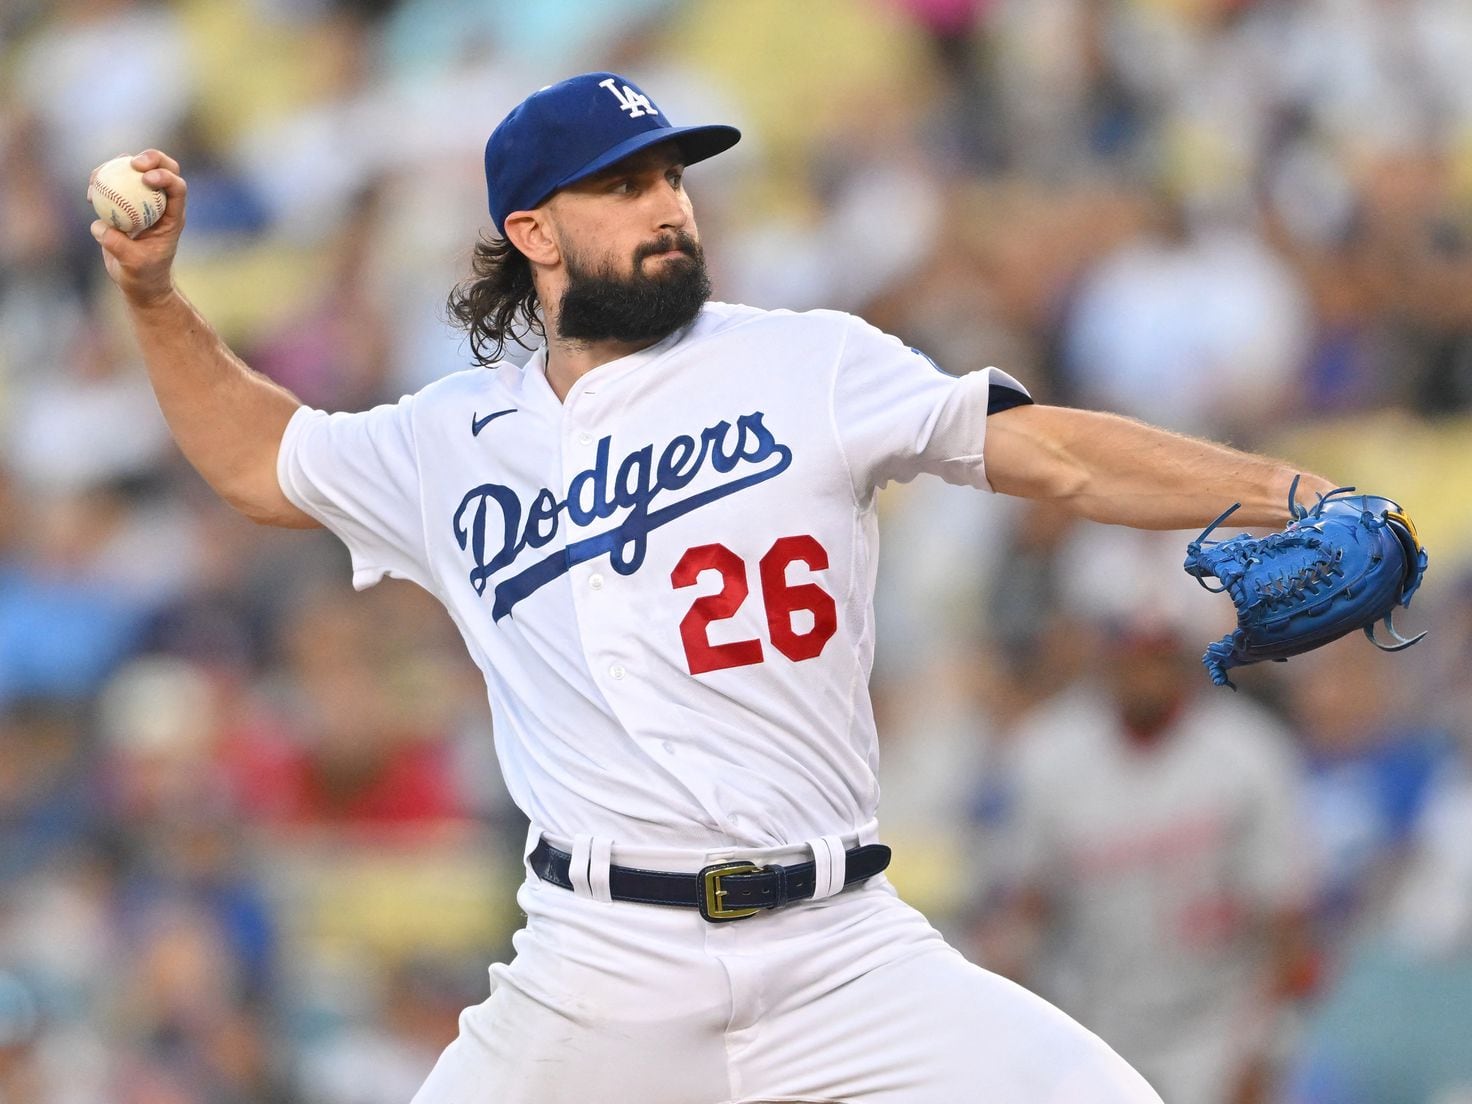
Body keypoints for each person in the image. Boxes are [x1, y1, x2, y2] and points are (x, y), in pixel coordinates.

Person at [90, 71, 1343, 1104]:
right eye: (624, 184)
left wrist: (1297, 494)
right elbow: (260, 457)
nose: (667, 206)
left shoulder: (809, 363)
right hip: (599, 965)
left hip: (839, 950)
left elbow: (1055, 457)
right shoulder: (444, 440)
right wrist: (151, 298)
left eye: (673, 177)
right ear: (532, 231)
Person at [978, 617, 1317, 1104]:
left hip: (1215, 1026)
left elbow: (1287, 930)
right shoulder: (1047, 753)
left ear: (1183, 663)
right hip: (1092, 1019)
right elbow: (1022, 913)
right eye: (1130, 657)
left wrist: (1262, 1052)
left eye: (1157, 657)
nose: (1143, 674)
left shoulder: (1250, 753)